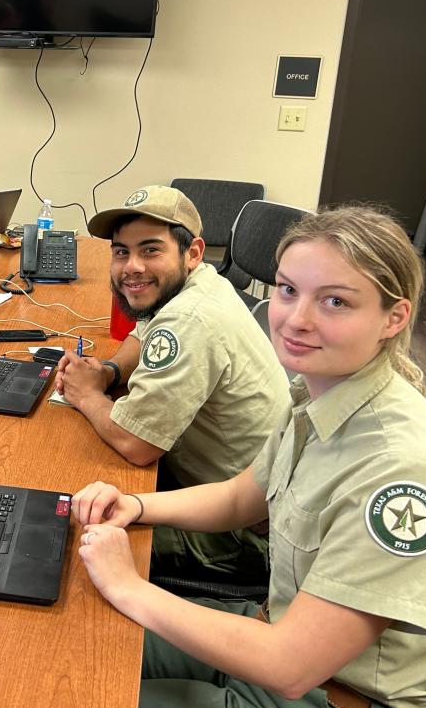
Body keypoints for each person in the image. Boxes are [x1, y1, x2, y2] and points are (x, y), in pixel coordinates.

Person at [72, 205, 426, 708]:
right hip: (280, 654)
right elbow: (244, 494)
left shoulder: (399, 472)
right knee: (75, 639)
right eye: (289, 290)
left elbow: (291, 664)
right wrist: (138, 504)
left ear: (393, 318)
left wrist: (130, 586)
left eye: (336, 301)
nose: (296, 319)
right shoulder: (325, 393)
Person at [56, 185, 290, 581]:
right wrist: (110, 372)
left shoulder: (190, 320)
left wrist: (85, 393)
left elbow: (136, 443)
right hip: (221, 495)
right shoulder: (194, 284)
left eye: (150, 250)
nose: (132, 266)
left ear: (192, 252)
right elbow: (143, 331)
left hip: (246, 536)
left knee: (69, 541)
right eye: (121, 252)